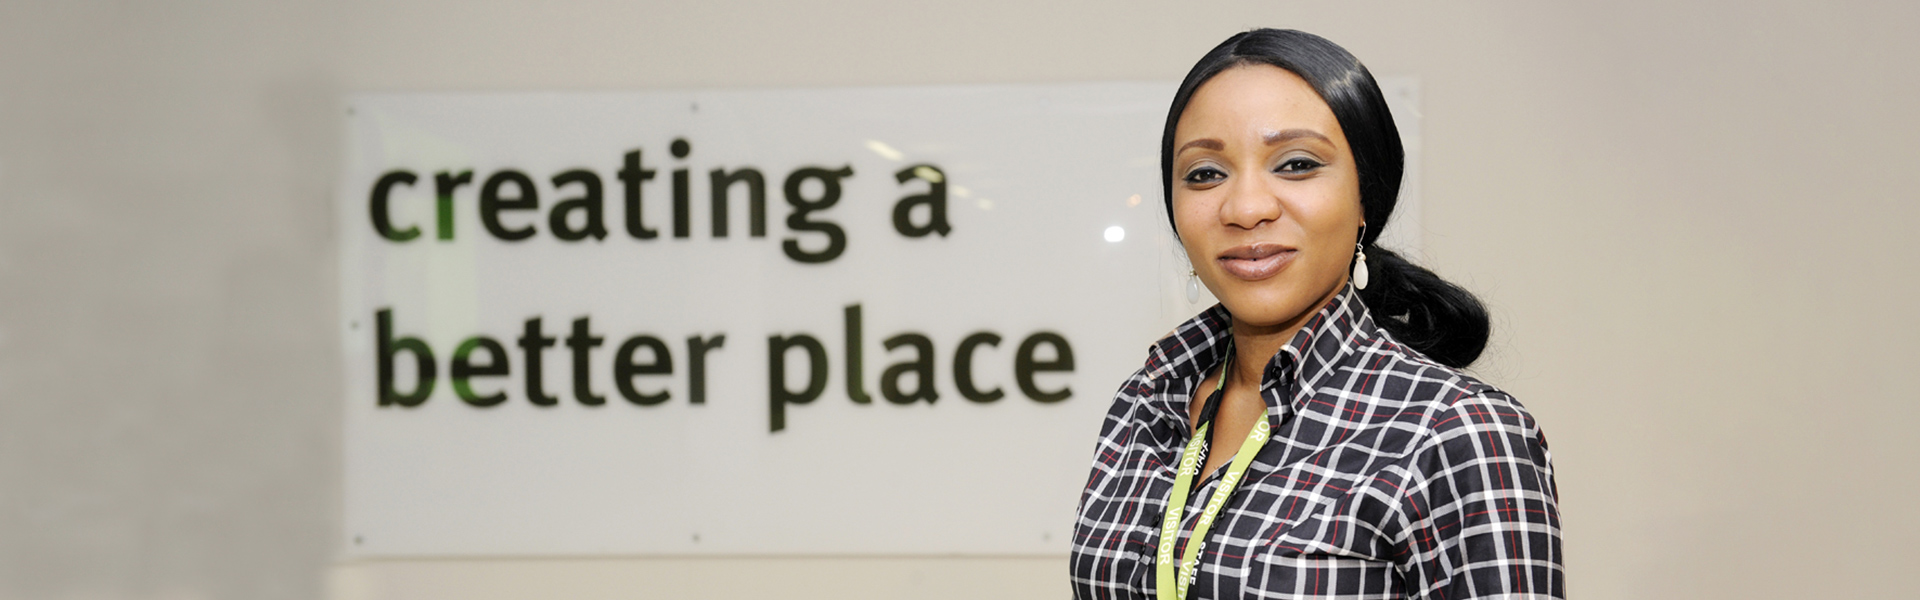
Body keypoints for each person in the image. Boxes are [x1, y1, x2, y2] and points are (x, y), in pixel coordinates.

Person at [1070, 29, 1562, 599]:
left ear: (1365, 198)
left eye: (1296, 164)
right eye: (1205, 173)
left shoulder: (1458, 431)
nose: (1246, 208)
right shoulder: (1148, 401)